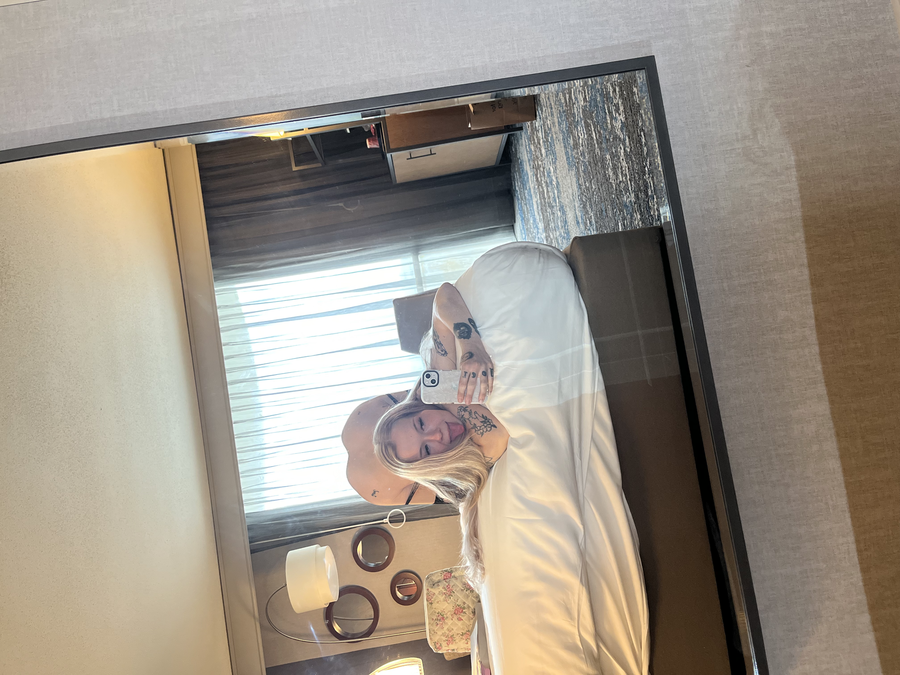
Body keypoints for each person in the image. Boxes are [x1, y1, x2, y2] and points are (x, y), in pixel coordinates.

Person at [374, 279, 510, 580]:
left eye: (421, 423)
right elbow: (497, 437)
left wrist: (471, 345)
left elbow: (444, 295)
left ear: (418, 407)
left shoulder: (436, 391)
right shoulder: (463, 466)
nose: (437, 435)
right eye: (426, 450)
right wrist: (445, 395)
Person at [341, 389, 438, 506]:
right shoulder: (359, 418)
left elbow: (450, 492)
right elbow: (428, 392)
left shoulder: (374, 492)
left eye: (420, 423)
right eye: (426, 450)